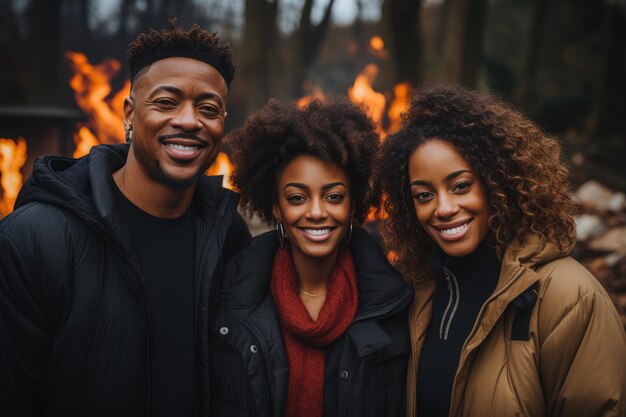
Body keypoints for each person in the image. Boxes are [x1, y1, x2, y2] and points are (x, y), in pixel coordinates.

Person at [0, 21, 250, 416]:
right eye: (166, 102)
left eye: (208, 108)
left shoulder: (228, 237)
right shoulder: (33, 239)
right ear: (129, 114)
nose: (189, 121)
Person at [375, 85, 626, 417]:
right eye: (424, 195)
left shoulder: (570, 297)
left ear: (497, 181)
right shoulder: (417, 291)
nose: (444, 208)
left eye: (461, 186)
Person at [208, 98, 413, 417]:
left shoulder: (396, 306)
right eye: (297, 198)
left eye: (333, 197)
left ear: (352, 205)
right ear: (276, 207)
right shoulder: (227, 299)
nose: (316, 212)